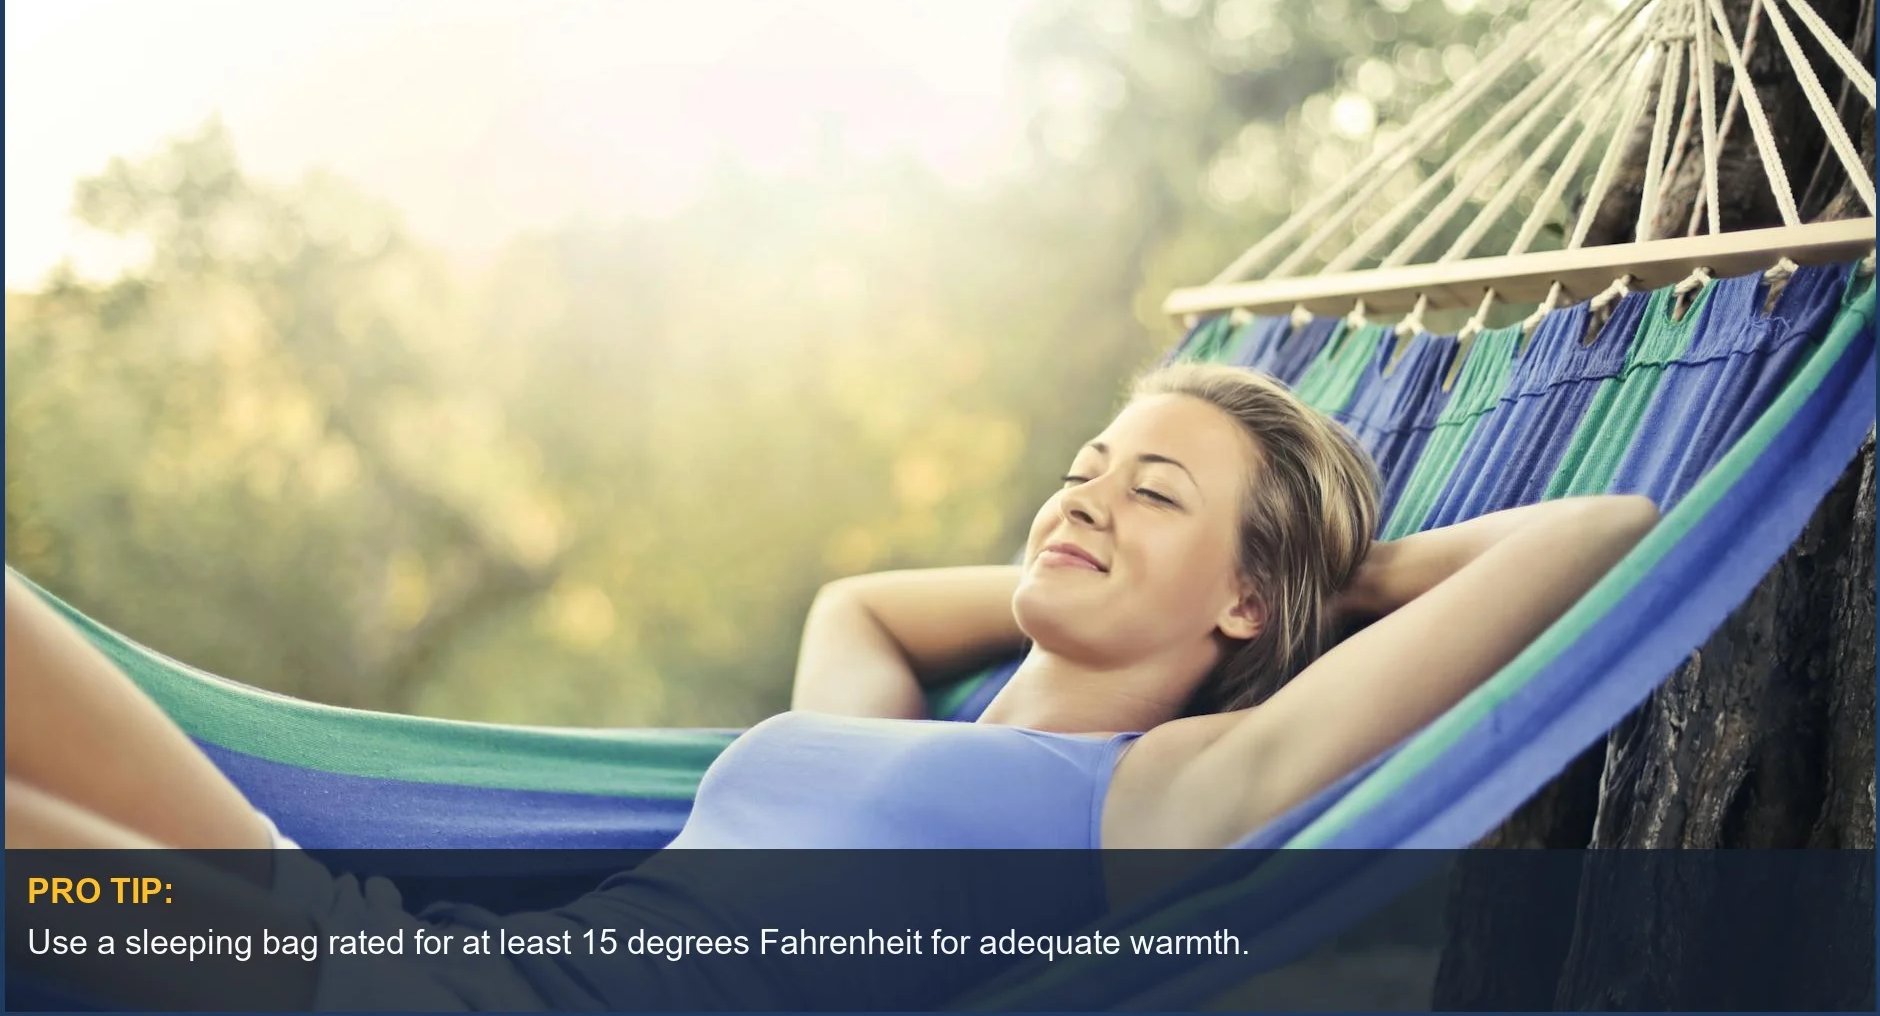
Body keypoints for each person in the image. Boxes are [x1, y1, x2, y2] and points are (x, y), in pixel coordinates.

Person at [5, 362, 1659, 1009]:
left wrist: (1315, 583)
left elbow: (1607, 523)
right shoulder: (866, 712)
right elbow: (859, 600)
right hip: (409, 959)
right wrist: (1168, 538)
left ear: (1246, 596)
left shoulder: (1164, 797)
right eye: (1081, 467)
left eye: (1150, 492)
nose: (1081, 496)